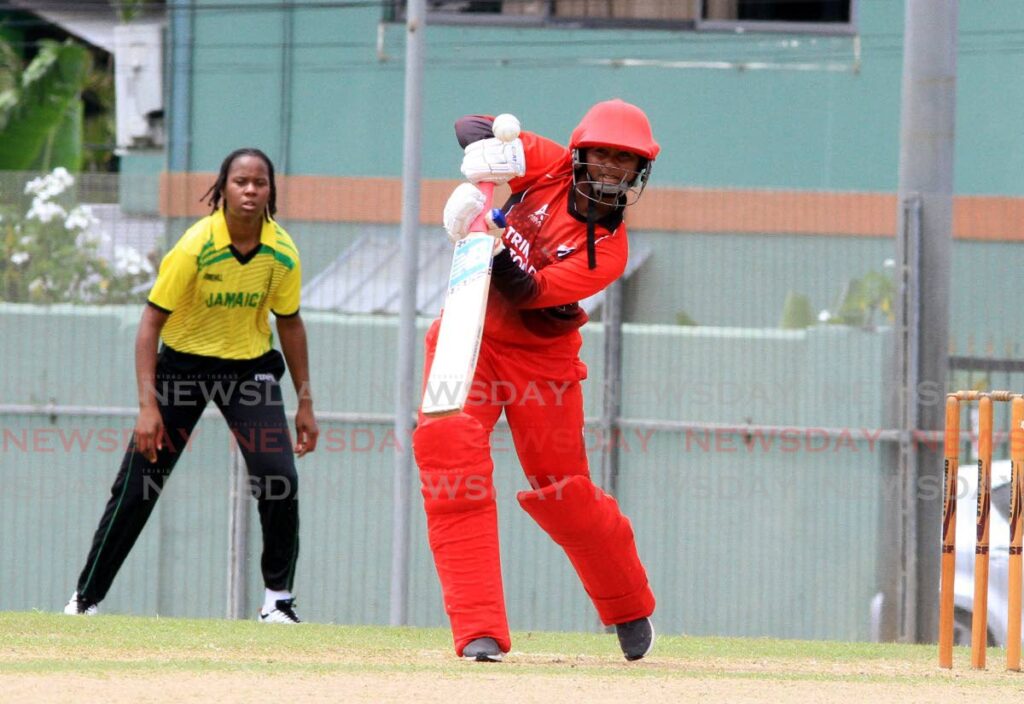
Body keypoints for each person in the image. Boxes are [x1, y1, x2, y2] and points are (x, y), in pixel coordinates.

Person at [413, 99, 659, 661]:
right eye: (602, 156)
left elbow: (527, 292)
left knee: (565, 493)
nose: (610, 170)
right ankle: (478, 630)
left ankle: (626, 603)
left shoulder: (610, 251)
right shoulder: (548, 164)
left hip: (542, 365)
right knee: (449, 455)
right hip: (470, 336)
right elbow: (466, 126)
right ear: (580, 154)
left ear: (639, 172)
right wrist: (487, 156)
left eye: (625, 162)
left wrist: (487, 238)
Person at [64, 148, 318, 624]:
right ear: (221, 188)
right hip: (182, 369)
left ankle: (277, 602)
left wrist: (305, 403)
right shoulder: (195, 246)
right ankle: (85, 599)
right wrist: (147, 408)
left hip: (248, 373)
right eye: (240, 181)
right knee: (140, 486)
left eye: (259, 183)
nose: (249, 190)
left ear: (270, 192)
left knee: (278, 476)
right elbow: (149, 325)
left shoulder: (282, 251)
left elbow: (291, 324)